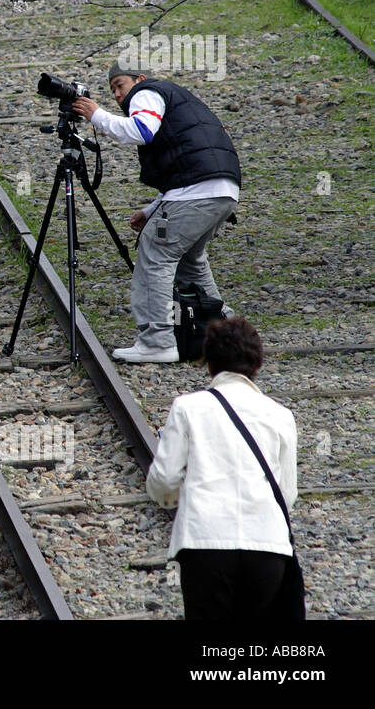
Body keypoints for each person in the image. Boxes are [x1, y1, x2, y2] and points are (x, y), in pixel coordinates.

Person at [72, 56, 239, 363]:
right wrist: (153, 211)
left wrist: (97, 115)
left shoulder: (147, 92)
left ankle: (158, 340)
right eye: (113, 90)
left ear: (139, 78)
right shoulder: (174, 99)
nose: (119, 95)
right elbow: (190, 166)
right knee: (190, 259)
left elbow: (141, 131)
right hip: (222, 190)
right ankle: (226, 333)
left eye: (120, 85)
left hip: (198, 190)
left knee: (156, 251)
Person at [146, 317, 298, 619]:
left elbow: (163, 478)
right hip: (268, 545)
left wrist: (175, 498)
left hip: (205, 542)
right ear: (257, 364)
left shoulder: (188, 407)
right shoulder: (281, 415)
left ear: (209, 363)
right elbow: (287, 494)